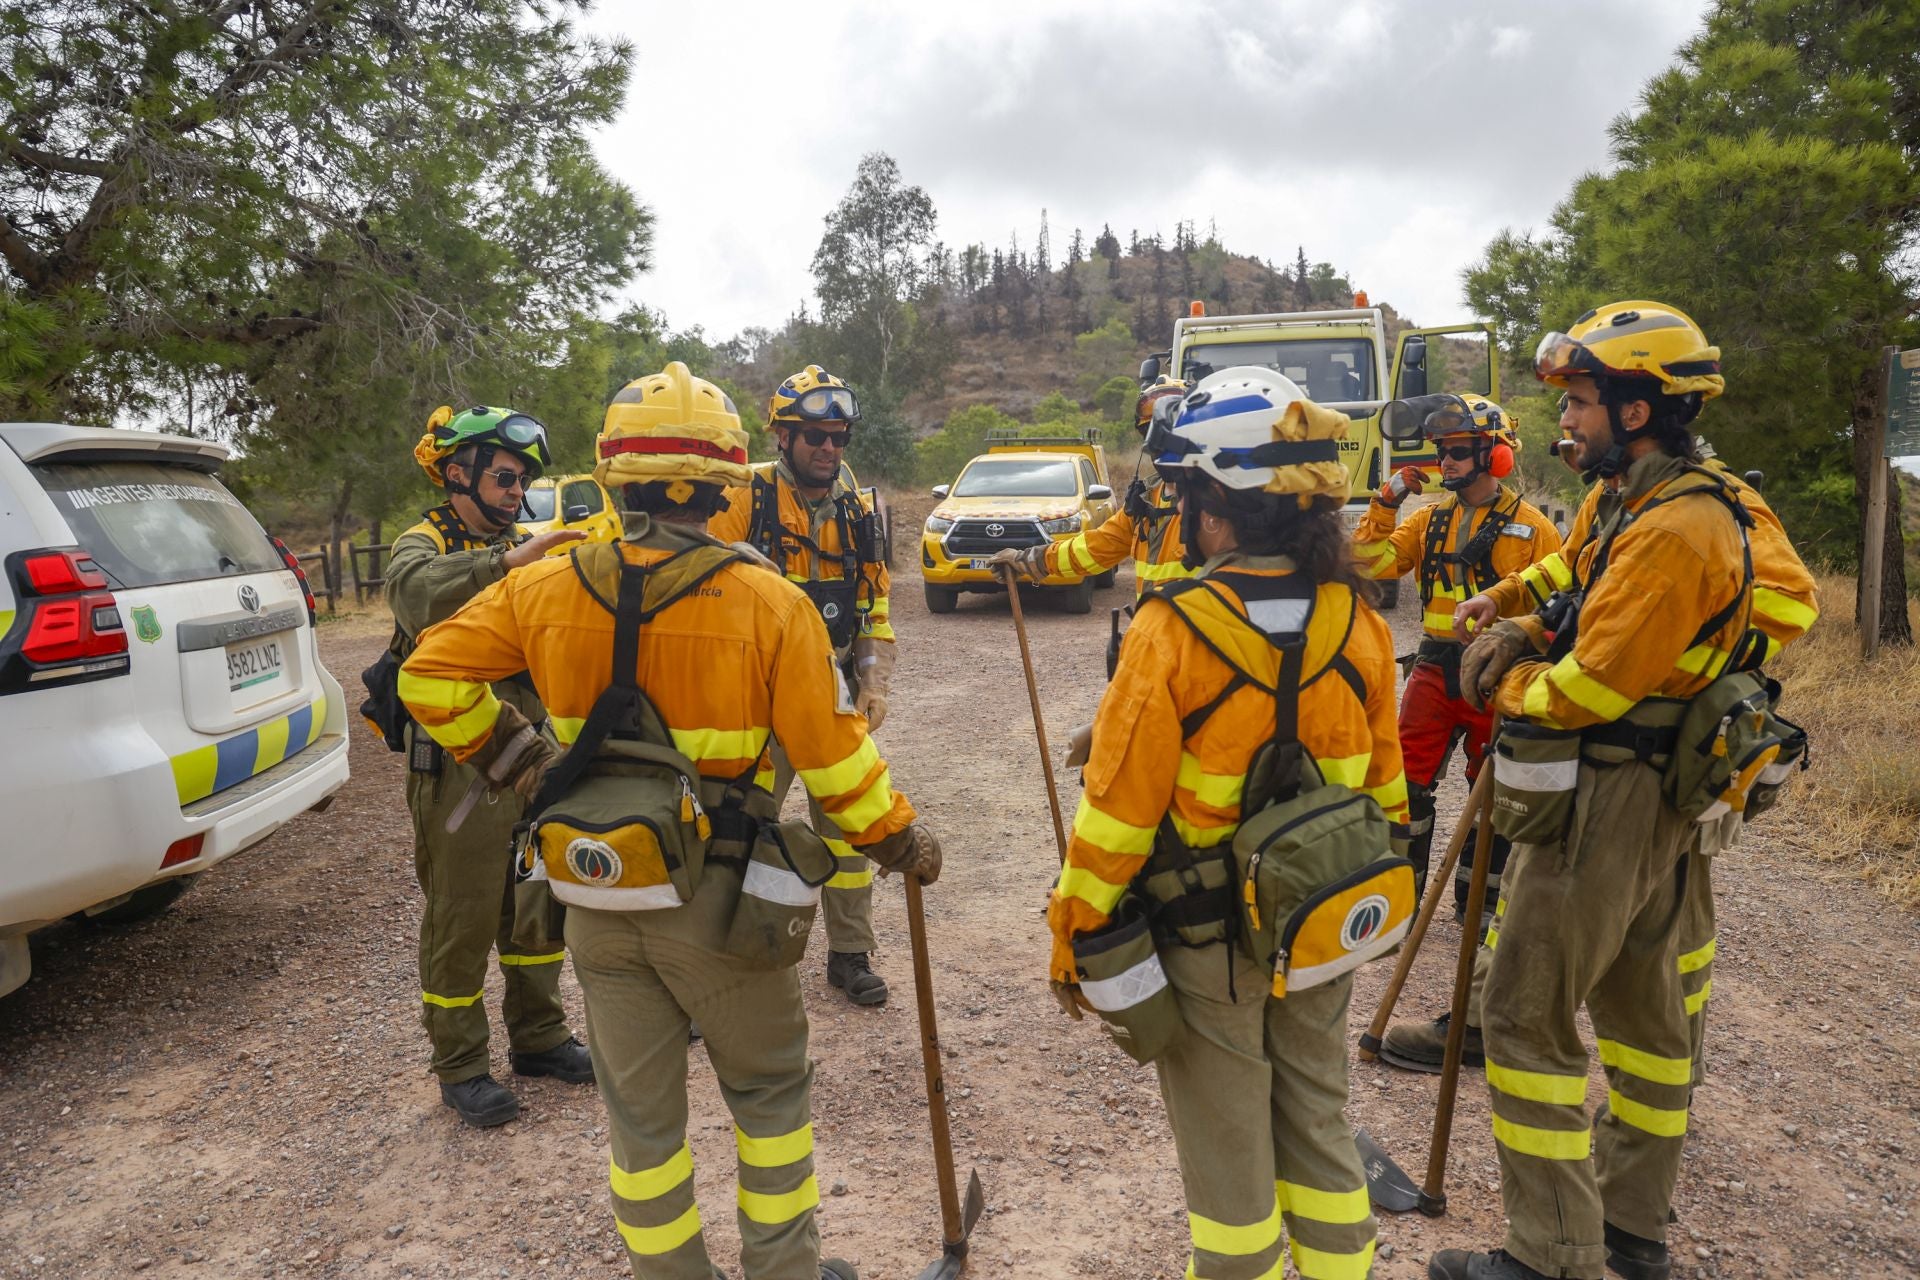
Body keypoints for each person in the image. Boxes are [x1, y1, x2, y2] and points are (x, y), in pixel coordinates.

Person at [399, 362, 940, 1280]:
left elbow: (428, 677)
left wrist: (523, 763)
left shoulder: (546, 586)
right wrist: (899, 842)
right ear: (729, 481)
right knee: (767, 1097)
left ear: (615, 474)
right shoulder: (772, 604)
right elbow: (839, 769)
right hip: (722, 902)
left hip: (599, 897)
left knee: (642, 1123)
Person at [1427, 301, 1769, 1280]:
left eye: (1580, 400)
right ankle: (1631, 1225)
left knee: (1528, 1013)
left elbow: (1594, 685)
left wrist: (1499, 678)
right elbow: (1577, 585)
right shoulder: (1635, 498)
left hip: (1611, 790)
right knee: (1645, 1017)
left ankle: (1551, 1253)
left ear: (1637, 407)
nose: (1563, 419)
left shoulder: (1679, 528)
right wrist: (1522, 614)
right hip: (1658, 789)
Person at [1048, 368, 1410, 1280]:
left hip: (1210, 945)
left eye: (1187, 491)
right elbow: (1387, 793)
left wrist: (1075, 937)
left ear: (1219, 503)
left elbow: (1119, 817)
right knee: (1321, 1121)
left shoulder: (1171, 630)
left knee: (1229, 1148)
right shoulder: (1358, 620)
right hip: (1319, 925)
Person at [387, 405, 595, 1127]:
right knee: (463, 916)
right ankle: (462, 1066)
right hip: (457, 768)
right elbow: (415, 598)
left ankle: (539, 1038)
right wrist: (504, 564)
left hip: (529, 756)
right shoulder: (424, 543)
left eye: (524, 482)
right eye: (506, 478)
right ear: (458, 474)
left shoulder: (520, 542)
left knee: (535, 908)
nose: (517, 493)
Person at [708, 364, 897, 1006]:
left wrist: (872, 682)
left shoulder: (857, 512)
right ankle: (719, 973)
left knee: (846, 829)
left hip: (833, 691)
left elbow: (874, 608)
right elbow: (696, 582)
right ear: (782, 438)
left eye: (838, 435)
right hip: (754, 699)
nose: (828, 447)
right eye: (814, 434)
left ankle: (850, 955)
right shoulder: (744, 497)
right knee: (735, 832)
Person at [1351, 393, 1561, 930]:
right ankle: (1397, 906)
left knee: (1493, 796)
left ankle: (1480, 912)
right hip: (1435, 671)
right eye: (1442, 450)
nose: (1445, 461)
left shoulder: (1535, 528)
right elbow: (1369, 564)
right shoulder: (1427, 522)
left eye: (1459, 450)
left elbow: (1560, 605)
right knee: (1404, 789)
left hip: (1501, 676)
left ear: (1494, 454)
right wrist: (1384, 502)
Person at [989, 376, 1194, 597]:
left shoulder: (1217, 504)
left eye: (1171, 434)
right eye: (1153, 435)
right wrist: (1027, 561)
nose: (1162, 445)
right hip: (1152, 629)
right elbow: (1093, 549)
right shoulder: (1146, 502)